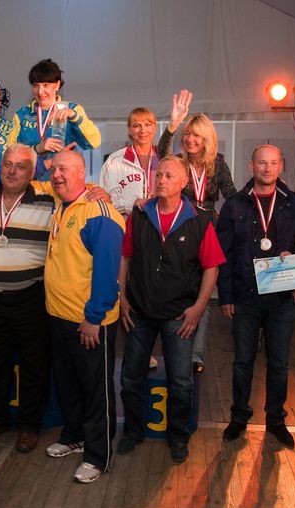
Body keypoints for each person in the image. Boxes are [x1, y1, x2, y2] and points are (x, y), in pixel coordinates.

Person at [117, 156, 225, 464]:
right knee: (131, 377)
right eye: (159, 174)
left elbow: (212, 267)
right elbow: (125, 258)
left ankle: (178, 435)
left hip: (179, 315)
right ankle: (133, 431)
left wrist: (198, 308)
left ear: (184, 183)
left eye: (169, 176)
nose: (162, 180)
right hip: (139, 311)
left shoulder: (199, 221)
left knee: (180, 381)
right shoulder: (139, 216)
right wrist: (122, 298)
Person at [216, 144, 295, 448]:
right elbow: (223, 254)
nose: (267, 168)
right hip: (245, 296)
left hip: (281, 297)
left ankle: (276, 420)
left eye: (273, 163)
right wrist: (226, 296)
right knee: (242, 361)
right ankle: (239, 417)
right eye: (262, 163)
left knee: (279, 362)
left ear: (281, 166)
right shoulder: (234, 204)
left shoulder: (293, 203)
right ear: (251, 166)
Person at [43, 150, 124, 484]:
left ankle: (98, 456)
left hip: (89, 322)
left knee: (95, 391)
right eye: (54, 169)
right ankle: (74, 436)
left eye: (64, 169)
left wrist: (93, 317)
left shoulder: (99, 213)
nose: (56, 175)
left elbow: (107, 273)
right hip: (59, 316)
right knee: (68, 384)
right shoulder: (62, 205)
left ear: (82, 173)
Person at [0, 143, 54, 453]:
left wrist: (97, 192)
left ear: (32, 173)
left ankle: (30, 425)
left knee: (34, 363)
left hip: (30, 296)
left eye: (21, 166)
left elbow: (76, 191)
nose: (13, 171)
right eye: (8, 164)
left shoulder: (48, 201)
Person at [159, 90, 237, 370]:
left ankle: (196, 355)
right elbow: (161, 152)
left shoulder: (218, 164)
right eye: (187, 134)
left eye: (196, 135)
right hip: (182, 229)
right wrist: (173, 124)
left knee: (203, 293)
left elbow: (232, 196)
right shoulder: (179, 162)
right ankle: (175, 349)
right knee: (181, 290)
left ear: (207, 139)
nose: (190, 139)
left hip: (209, 231)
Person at [99, 106, 161, 370]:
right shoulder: (115, 161)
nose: (142, 130)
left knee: (150, 291)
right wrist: (130, 204)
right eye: (136, 125)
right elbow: (103, 200)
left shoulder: (165, 158)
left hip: (158, 236)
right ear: (129, 130)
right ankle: (132, 350)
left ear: (155, 128)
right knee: (124, 291)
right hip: (125, 234)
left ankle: (147, 348)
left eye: (147, 124)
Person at [6, 59, 101, 178]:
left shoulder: (72, 110)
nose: (40, 92)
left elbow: (94, 142)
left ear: (57, 85)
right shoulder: (22, 114)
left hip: (61, 182)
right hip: (29, 183)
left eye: (46, 85)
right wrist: (36, 148)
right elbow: (9, 153)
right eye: (35, 86)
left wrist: (74, 117)